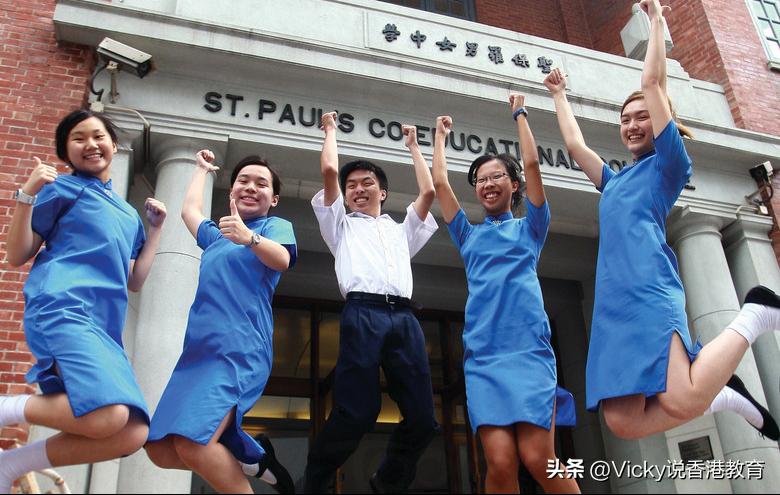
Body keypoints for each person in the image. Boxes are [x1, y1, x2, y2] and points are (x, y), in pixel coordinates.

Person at [544, 0, 779, 441]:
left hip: (648, 288)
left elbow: (652, 81)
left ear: (662, 123)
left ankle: (757, 312)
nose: (632, 125)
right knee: (622, 420)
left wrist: (655, 22)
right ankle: (723, 394)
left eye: (643, 117)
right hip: (614, 304)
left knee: (681, 398)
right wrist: (559, 96)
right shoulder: (615, 182)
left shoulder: (669, 165)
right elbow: (576, 147)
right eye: (625, 119)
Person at [0, 109, 167, 493]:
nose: (90, 144)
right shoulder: (61, 189)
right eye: (78, 138)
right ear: (66, 151)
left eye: (98, 136)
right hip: (62, 306)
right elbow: (17, 254)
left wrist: (155, 230)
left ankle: (9, 466)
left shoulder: (127, 214)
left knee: (131, 431)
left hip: (103, 328)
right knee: (109, 416)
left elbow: (135, 280)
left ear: (112, 143)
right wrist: (27, 195)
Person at [431, 94, 580, 494]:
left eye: (496, 176)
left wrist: (520, 114)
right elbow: (441, 183)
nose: (487, 184)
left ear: (514, 186)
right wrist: (439, 139)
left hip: (528, 352)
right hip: (484, 356)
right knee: (499, 463)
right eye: (480, 180)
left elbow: (532, 165)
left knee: (539, 461)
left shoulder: (531, 227)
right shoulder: (467, 235)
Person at [144, 151, 297, 494]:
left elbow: (283, 259)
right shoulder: (216, 237)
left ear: (273, 198)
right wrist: (200, 170)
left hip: (238, 350)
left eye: (261, 184)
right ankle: (254, 459)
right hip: (197, 354)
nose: (250, 187)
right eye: (243, 181)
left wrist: (251, 238)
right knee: (160, 449)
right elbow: (190, 211)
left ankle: (253, 462)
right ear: (231, 192)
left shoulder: (273, 228)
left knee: (193, 444)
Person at [302, 112, 438, 493]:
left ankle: (389, 481)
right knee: (357, 412)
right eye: (352, 186)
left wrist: (414, 146)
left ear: (383, 192)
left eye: (368, 183)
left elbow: (428, 193)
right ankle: (315, 480)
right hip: (362, 314)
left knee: (424, 419)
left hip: (404, 320)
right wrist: (330, 130)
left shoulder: (400, 231)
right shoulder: (340, 226)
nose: (358, 189)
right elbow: (330, 170)